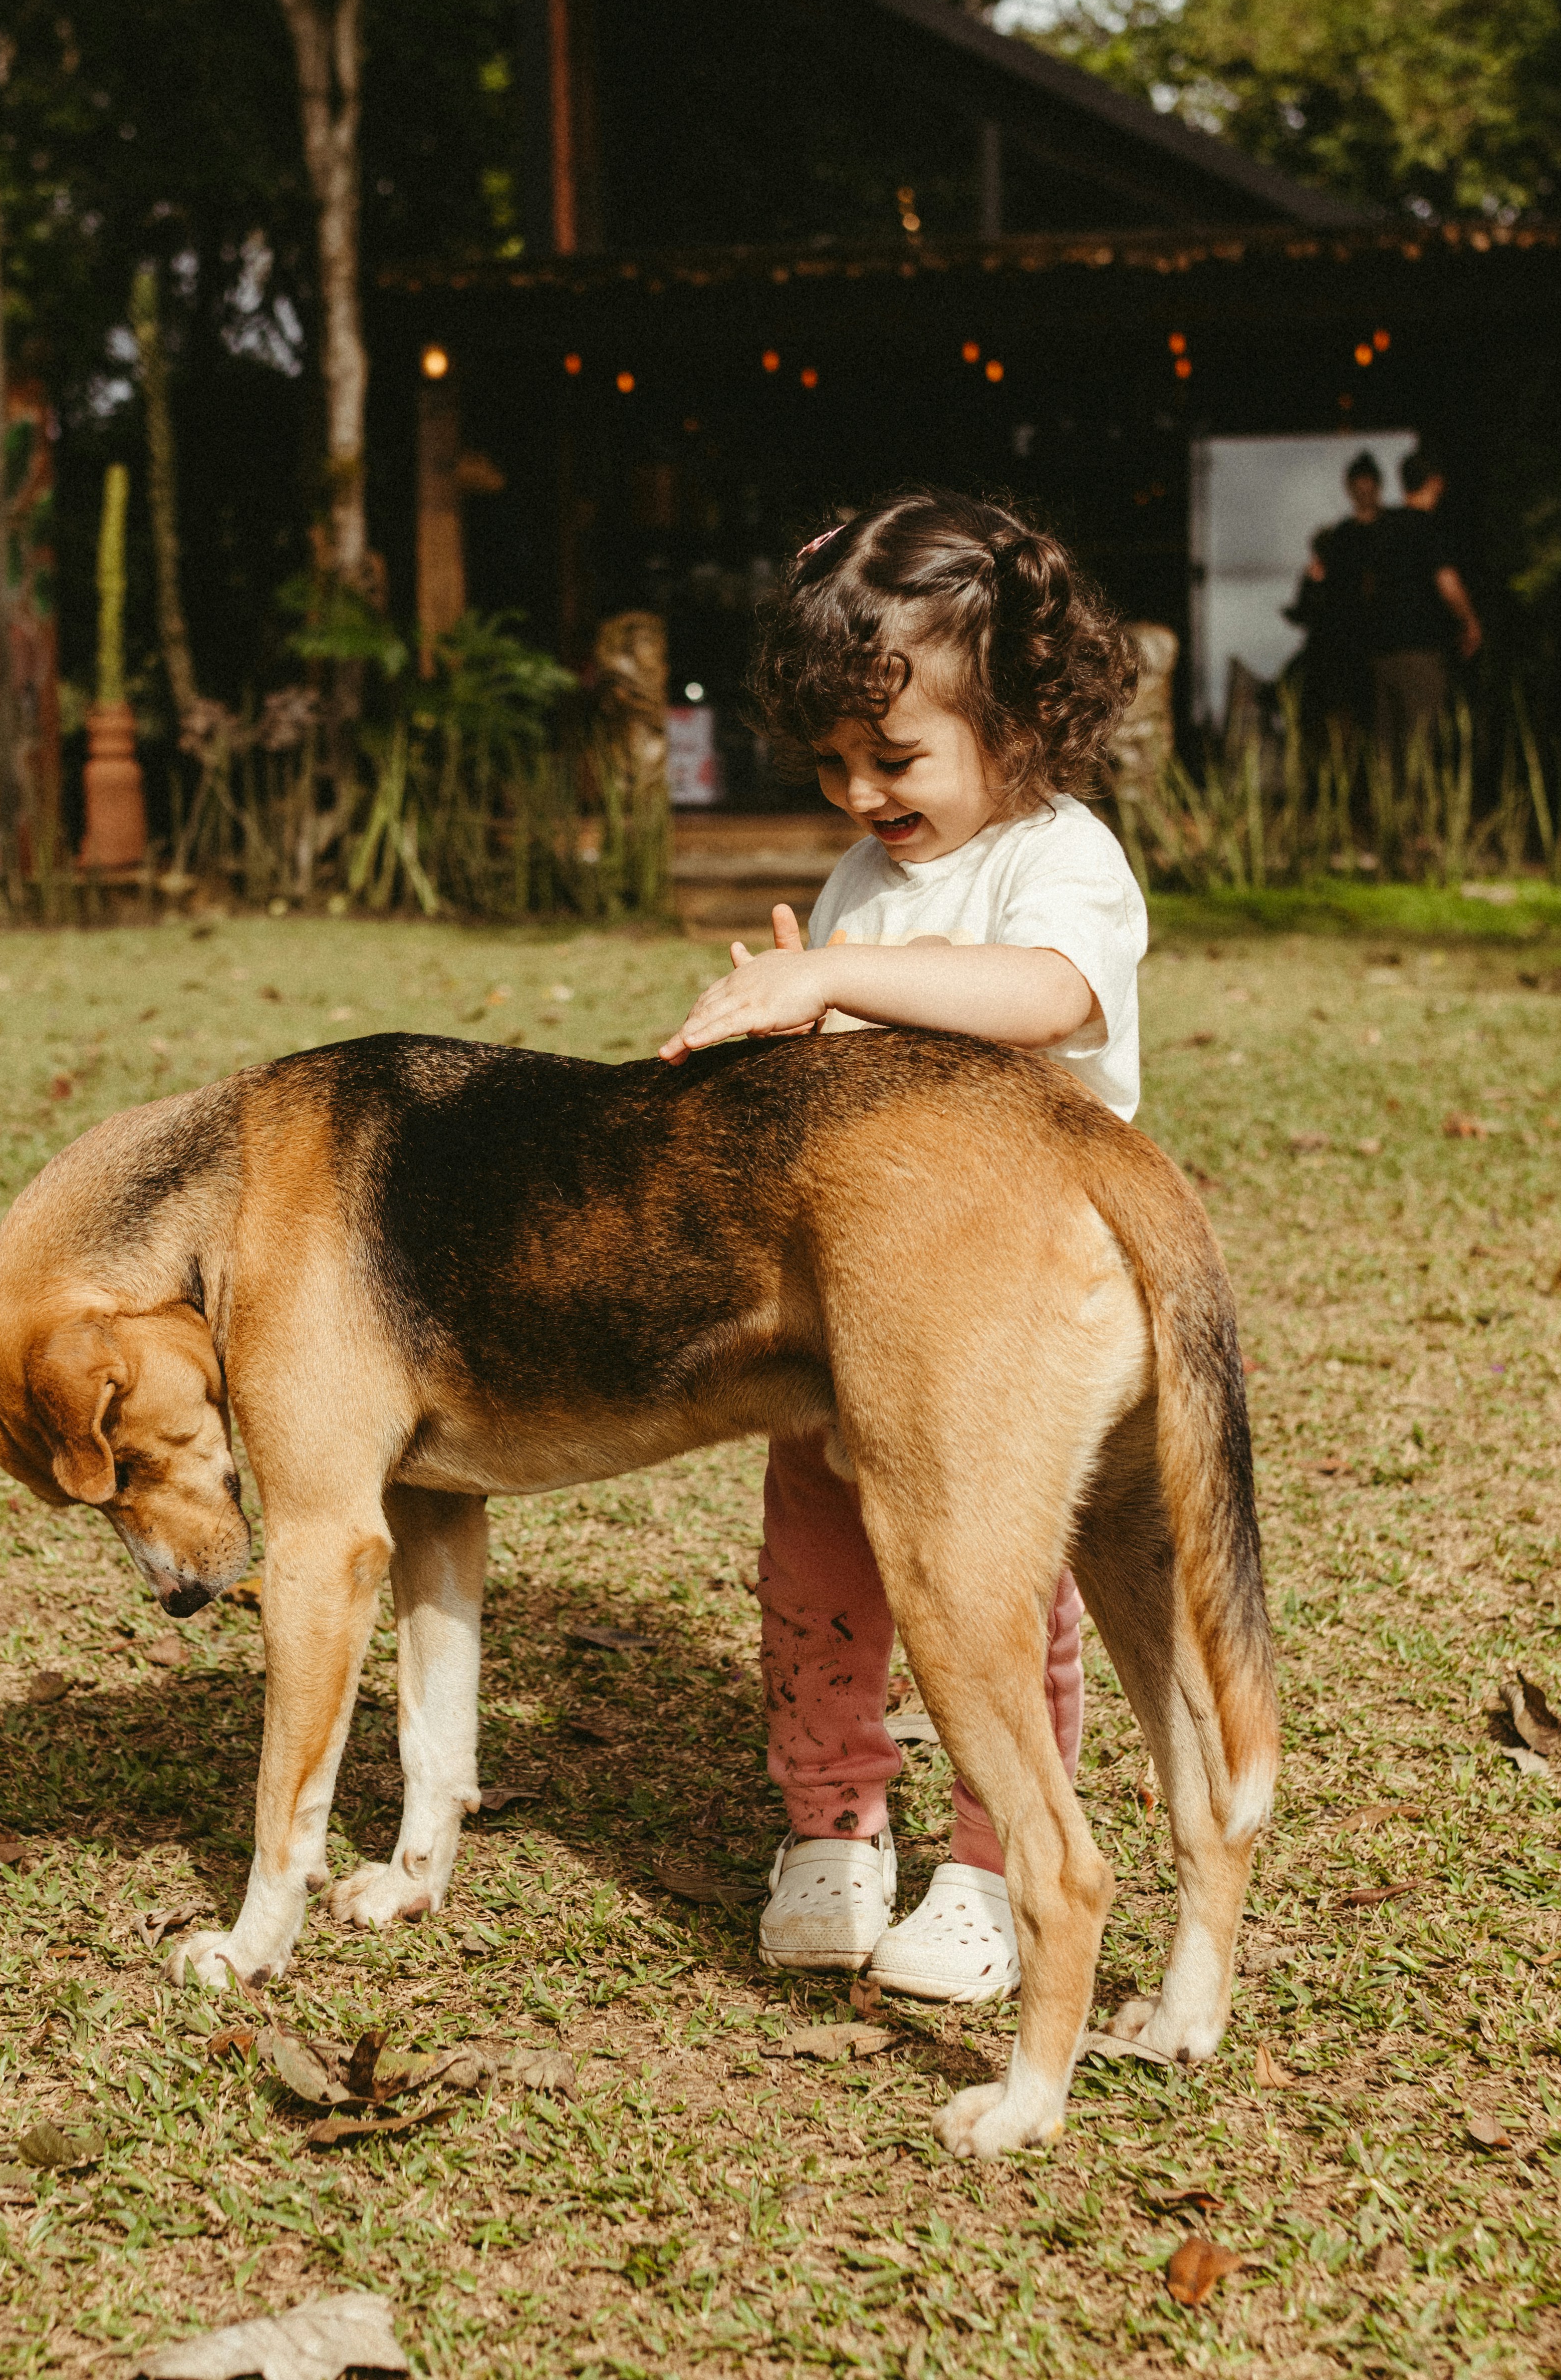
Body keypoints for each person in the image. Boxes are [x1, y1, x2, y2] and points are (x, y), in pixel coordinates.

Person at [655, 487, 1144, 2002]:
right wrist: (788, 1014)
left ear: (1016, 717)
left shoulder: (1057, 859)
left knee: (996, 1581)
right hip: (848, 1303)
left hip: (1006, 1312)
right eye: (832, 763)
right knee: (813, 1551)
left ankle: (993, 1863)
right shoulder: (868, 884)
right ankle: (831, 1821)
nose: (862, 789)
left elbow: (1050, 997)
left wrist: (848, 983)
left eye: (897, 755)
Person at [1366, 448, 1483, 753]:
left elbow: (1368, 586)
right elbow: (1448, 583)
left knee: (1387, 750)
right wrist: (1469, 621)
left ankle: (1387, 802)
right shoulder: (1430, 528)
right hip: (1421, 651)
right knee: (1422, 744)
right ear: (1436, 482)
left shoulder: (1381, 528)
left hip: (1382, 652)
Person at [1286, 450, 1386, 729]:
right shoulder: (1342, 536)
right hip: (1346, 650)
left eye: (1368, 486)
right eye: (1359, 487)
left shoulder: (1386, 531)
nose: (1364, 493)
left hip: (1374, 646)